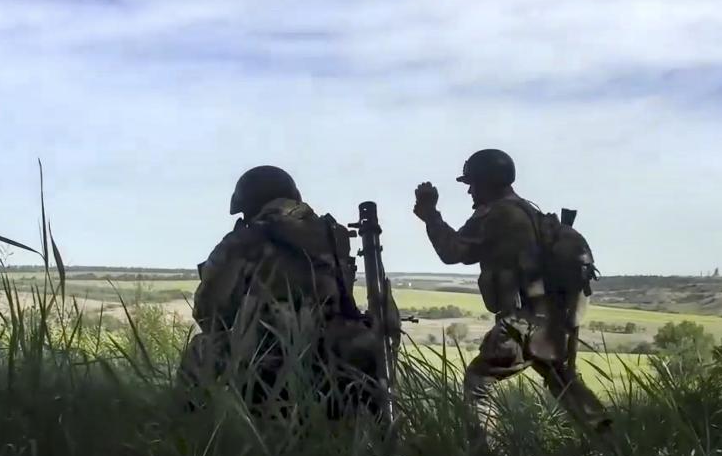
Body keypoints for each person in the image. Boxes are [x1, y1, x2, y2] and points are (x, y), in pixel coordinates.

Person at [413, 149, 611, 440]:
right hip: (551, 322)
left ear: (487, 182)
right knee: (563, 381)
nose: (469, 190)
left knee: (478, 381)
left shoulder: (497, 214)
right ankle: (611, 444)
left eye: (473, 183)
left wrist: (430, 215)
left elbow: (452, 251)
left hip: (522, 322)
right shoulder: (529, 212)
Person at [176, 165, 383, 419]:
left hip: (269, 366)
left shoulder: (244, 240)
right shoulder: (335, 236)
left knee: (201, 349)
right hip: (340, 359)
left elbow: (210, 317)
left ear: (249, 206)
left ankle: (193, 437)